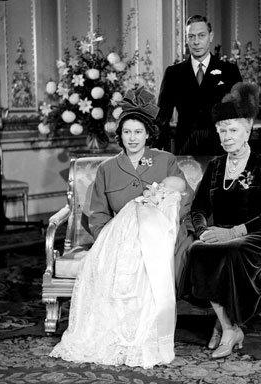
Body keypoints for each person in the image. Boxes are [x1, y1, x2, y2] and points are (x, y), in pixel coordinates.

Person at [50, 87, 193, 369]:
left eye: (138, 132)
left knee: (152, 261)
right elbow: (97, 213)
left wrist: (160, 219)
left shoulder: (165, 160)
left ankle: (148, 336)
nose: (133, 138)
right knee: (119, 260)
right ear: (120, 136)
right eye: (127, 132)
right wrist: (110, 240)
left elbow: (184, 200)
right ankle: (120, 334)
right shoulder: (107, 169)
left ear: (148, 134)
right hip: (120, 235)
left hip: (160, 234)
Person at [180, 82, 261, 359]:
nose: (227, 137)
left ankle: (226, 326)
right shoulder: (215, 166)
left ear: (247, 131)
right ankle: (230, 327)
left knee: (233, 251)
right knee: (198, 251)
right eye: (223, 131)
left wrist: (232, 233)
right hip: (223, 232)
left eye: (233, 130)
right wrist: (203, 231)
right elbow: (199, 207)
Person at [157, 14, 242, 155]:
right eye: (191, 36)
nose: (196, 42)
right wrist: (160, 151)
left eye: (201, 35)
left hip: (221, 149)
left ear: (211, 36)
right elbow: (162, 116)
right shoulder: (173, 73)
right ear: (186, 39)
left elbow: (239, 113)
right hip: (185, 148)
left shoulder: (229, 71)